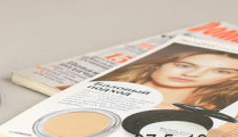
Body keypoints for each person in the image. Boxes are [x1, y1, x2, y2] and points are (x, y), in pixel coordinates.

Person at [97, 50, 238, 110]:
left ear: (233, 79)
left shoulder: (208, 111)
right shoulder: (103, 85)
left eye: (222, 71)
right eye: (185, 65)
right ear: (159, 65)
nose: (192, 74)